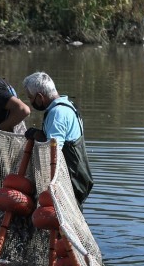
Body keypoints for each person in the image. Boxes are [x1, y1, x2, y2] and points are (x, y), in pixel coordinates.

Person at [22, 71, 94, 206]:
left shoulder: (57, 113)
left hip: (70, 181)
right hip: (78, 178)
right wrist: (39, 135)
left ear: (40, 96)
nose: (30, 102)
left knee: (60, 222)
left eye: (31, 97)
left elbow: (54, 151)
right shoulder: (67, 105)